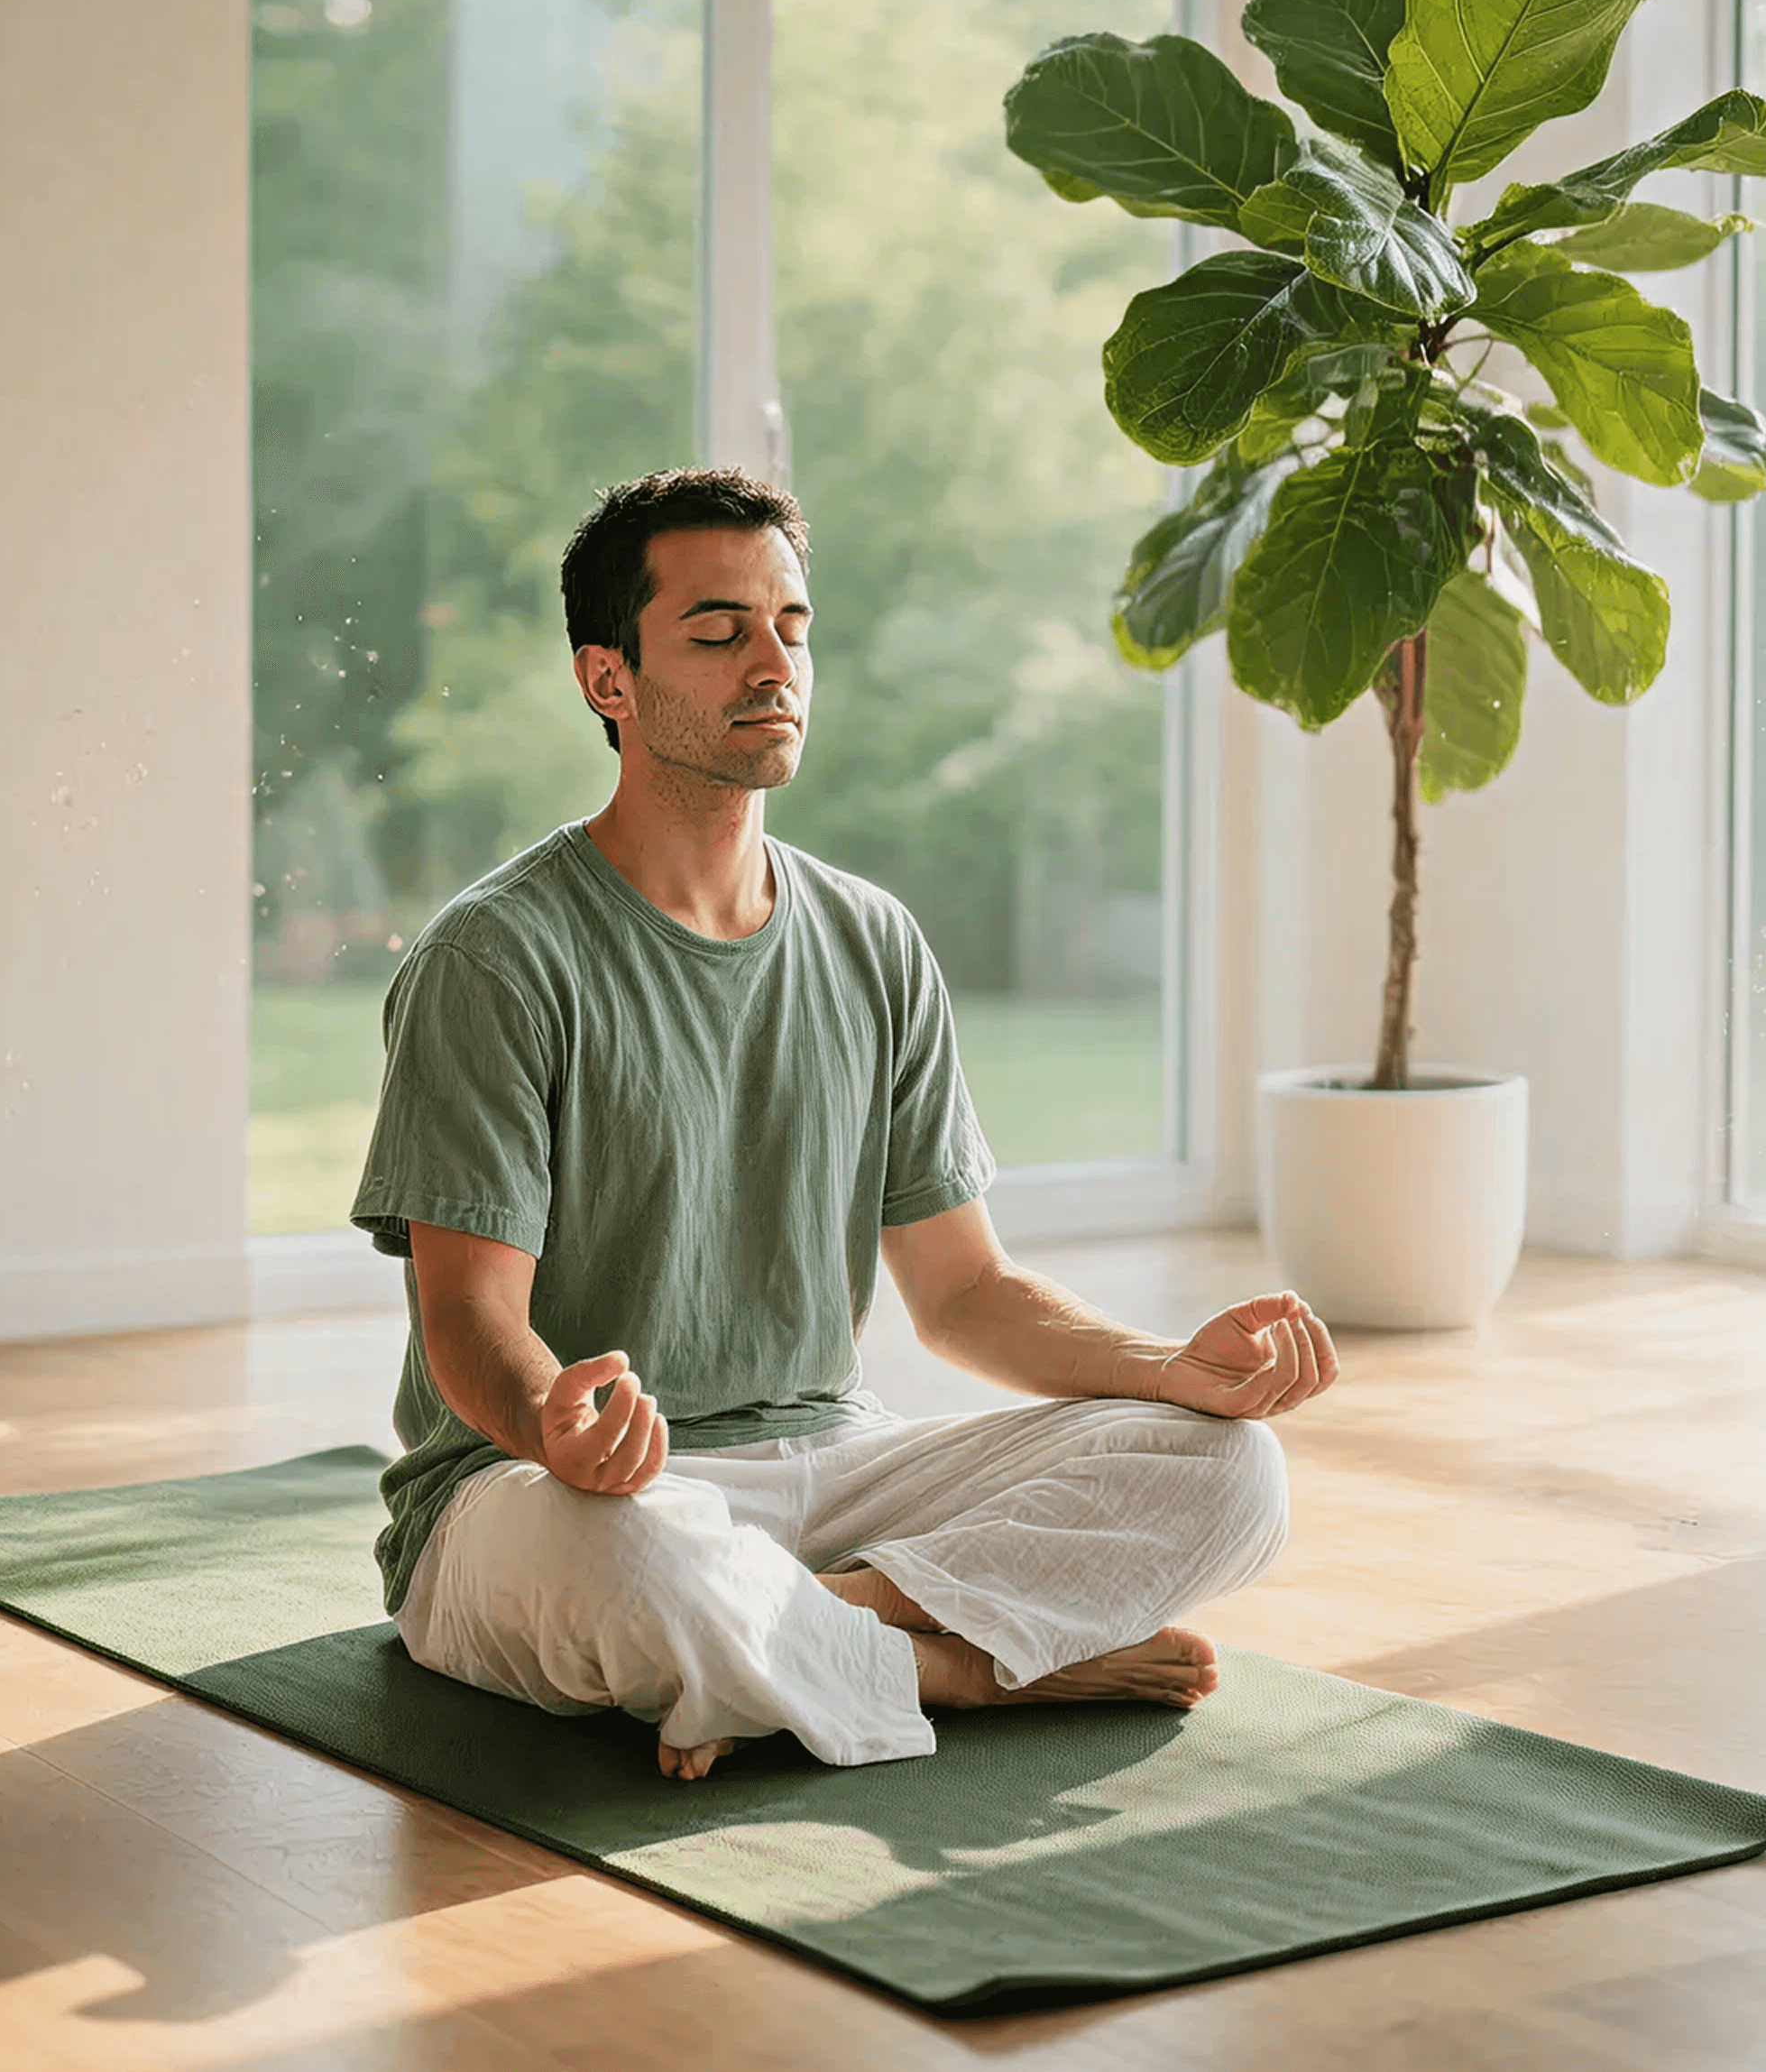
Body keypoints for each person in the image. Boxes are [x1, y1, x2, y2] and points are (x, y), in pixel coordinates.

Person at [351, 466, 1339, 1782]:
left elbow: (967, 1295)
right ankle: (971, 1667)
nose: (774, 664)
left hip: (835, 1465)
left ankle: (790, 1649)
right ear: (609, 681)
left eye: (792, 628)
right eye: (718, 634)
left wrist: (1177, 1372)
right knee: (634, 1564)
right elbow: (470, 1325)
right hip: (564, 1499)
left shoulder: (873, 940)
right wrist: (558, 1428)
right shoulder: (494, 955)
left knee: (1235, 1471)